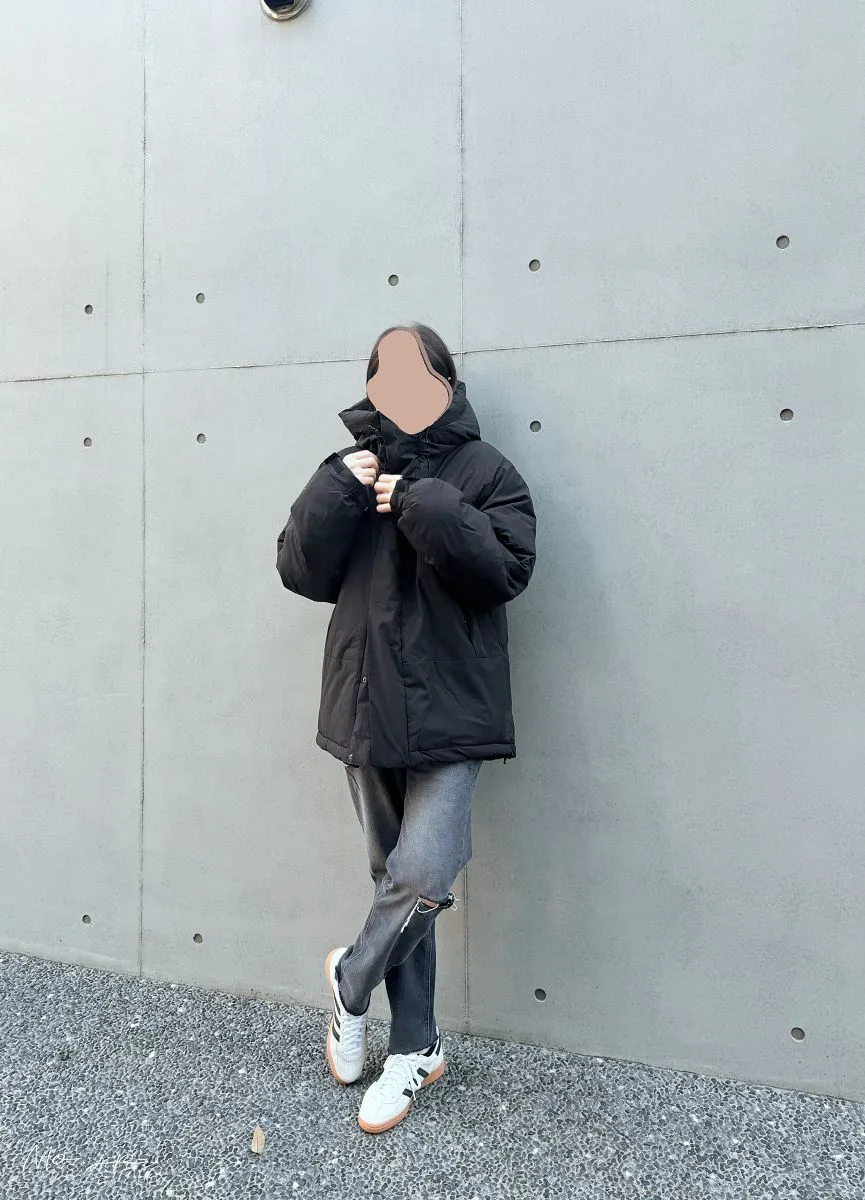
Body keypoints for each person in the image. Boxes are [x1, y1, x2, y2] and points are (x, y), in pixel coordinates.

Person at [275, 323, 536, 1133]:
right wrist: (335, 490)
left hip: (452, 711)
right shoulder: (347, 468)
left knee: (423, 873)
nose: (402, 391)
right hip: (364, 704)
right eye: (385, 376)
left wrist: (423, 502)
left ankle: (350, 981)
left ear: (447, 385)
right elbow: (298, 570)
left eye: (418, 375)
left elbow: (505, 572)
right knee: (392, 881)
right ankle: (415, 1049)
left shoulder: (485, 470)